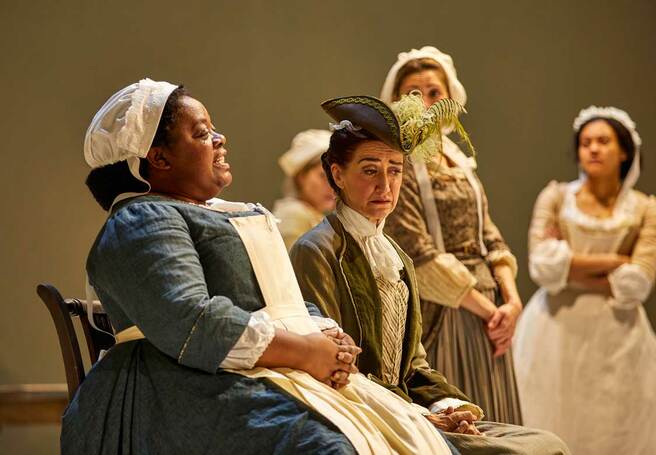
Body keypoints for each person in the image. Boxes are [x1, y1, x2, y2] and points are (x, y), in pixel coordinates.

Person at [66, 78, 469, 454]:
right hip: (178, 387)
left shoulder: (222, 213)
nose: (220, 139)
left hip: (257, 369)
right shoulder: (142, 220)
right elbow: (192, 320)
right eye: (202, 133)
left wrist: (327, 334)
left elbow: (280, 300)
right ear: (159, 158)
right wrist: (305, 351)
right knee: (329, 447)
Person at [291, 93, 570, 454]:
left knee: (544, 443)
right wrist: (415, 416)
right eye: (370, 169)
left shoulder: (397, 258)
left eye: (395, 170)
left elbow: (413, 366)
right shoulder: (318, 250)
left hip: (409, 411)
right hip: (364, 418)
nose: (385, 185)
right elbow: (333, 369)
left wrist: (447, 407)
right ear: (338, 174)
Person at [513, 106, 656, 454]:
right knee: (551, 417)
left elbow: (637, 283)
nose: (593, 149)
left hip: (619, 336)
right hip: (553, 331)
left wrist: (570, 267)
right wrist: (615, 261)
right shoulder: (557, 198)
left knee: (615, 427)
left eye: (603, 141)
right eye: (585, 142)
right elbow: (542, 267)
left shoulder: (645, 208)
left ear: (623, 151)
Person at [381, 46, 523, 424]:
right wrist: (489, 311)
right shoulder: (399, 163)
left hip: (488, 308)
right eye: (412, 93)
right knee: (461, 416)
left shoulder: (459, 161)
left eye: (433, 92)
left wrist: (511, 299)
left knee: (498, 412)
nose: (424, 102)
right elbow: (417, 251)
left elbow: (488, 233)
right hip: (447, 309)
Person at [273, 129, 336, 250]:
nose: (332, 186)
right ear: (301, 176)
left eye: (336, 177)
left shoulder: (312, 216)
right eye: (323, 176)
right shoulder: (294, 216)